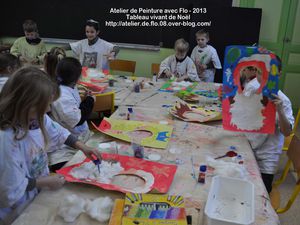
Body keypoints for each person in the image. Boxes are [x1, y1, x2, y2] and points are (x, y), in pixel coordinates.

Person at [0, 67, 101, 224]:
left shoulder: (35, 118)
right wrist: (45, 182)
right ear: (26, 104)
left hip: (34, 196)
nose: (47, 110)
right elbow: (10, 187)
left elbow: (59, 133)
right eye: (44, 105)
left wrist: (82, 147)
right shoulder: (7, 139)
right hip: (15, 211)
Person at [243, 55, 294, 194]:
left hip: (264, 161)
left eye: (270, 72)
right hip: (246, 150)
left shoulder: (283, 101)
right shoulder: (252, 90)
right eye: (261, 72)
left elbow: (287, 132)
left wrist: (280, 111)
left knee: (258, 195)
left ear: (279, 74)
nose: (264, 76)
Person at [48, 57, 95, 171]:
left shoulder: (69, 87)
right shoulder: (62, 95)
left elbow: (75, 110)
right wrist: (90, 100)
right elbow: (77, 120)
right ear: (78, 77)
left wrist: (85, 99)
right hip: (64, 148)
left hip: (76, 138)